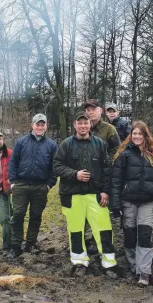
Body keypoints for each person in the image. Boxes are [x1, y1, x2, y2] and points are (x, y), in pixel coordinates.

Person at [53, 111, 117, 278]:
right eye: (79, 123)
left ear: (90, 125)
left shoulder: (99, 144)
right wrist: (75, 175)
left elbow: (107, 169)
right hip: (72, 195)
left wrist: (105, 191)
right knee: (75, 230)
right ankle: (80, 262)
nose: (83, 126)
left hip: (95, 195)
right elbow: (57, 166)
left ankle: (109, 263)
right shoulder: (66, 144)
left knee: (104, 229)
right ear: (75, 125)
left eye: (85, 123)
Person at [110, 121, 153, 286]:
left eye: (139, 134)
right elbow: (116, 182)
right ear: (131, 136)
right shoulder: (124, 156)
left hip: (148, 202)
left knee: (144, 235)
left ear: (145, 136)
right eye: (134, 134)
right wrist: (115, 205)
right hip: (128, 202)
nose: (136, 137)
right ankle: (134, 267)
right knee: (129, 235)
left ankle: (144, 272)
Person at [8, 113, 58, 257]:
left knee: (36, 216)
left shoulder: (52, 145)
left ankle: (30, 244)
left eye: (43, 124)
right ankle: (16, 245)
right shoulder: (21, 142)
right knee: (17, 215)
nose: (40, 127)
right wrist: (12, 182)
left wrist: (49, 184)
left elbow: (55, 167)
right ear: (32, 125)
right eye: (38, 124)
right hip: (21, 185)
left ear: (46, 126)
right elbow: (13, 163)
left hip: (40, 187)